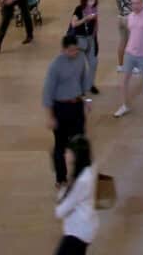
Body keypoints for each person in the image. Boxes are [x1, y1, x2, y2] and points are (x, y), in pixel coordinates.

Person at [42, 34, 91, 190]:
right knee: (60, 145)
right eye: (71, 50)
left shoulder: (80, 58)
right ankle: (61, 178)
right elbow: (47, 92)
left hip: (76, 106)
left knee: (80, 142)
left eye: (76, 50)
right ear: (63, 50)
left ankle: (80, 175)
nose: (74, 53)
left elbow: (83, 79)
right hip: (61, 108)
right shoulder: (55, 66)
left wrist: (85, 99)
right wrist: (50, 116)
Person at [113, 0, 143, 117]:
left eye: (137, 3)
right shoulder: (130, 17)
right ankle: (124, 105)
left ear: (142, 3)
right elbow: (131, 33)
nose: (134, 6)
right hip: (130, 53)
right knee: (123, 81)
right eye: (132, 3)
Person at [53, 133, 98, 254]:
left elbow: (61, 211)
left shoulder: (81, 181)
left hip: (78, 232)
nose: (65, 154)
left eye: (68, 152)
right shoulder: (89, 170)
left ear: (75, 156)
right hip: (85, 228)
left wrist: (62, 192)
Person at [69, 0, 100, 93]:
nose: (92, 2)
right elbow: (74, 24)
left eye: (94, 0)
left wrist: (95, 40)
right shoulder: (79, 9)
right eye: (90, 0)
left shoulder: (94, 9)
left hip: (91, 39)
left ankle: (90, 84)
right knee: (80, 64)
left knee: (93, 63)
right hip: (80, 39)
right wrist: (85, 19)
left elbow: (96, 26)